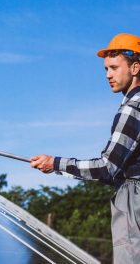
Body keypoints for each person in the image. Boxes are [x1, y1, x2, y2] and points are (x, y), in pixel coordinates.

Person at [30, 33, 140, 263]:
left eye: (114, 67)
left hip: (134, 199)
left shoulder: (132, 108)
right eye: (105, 69)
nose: (108, 75)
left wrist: (55, 163)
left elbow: (107, 167)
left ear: (135, 68)